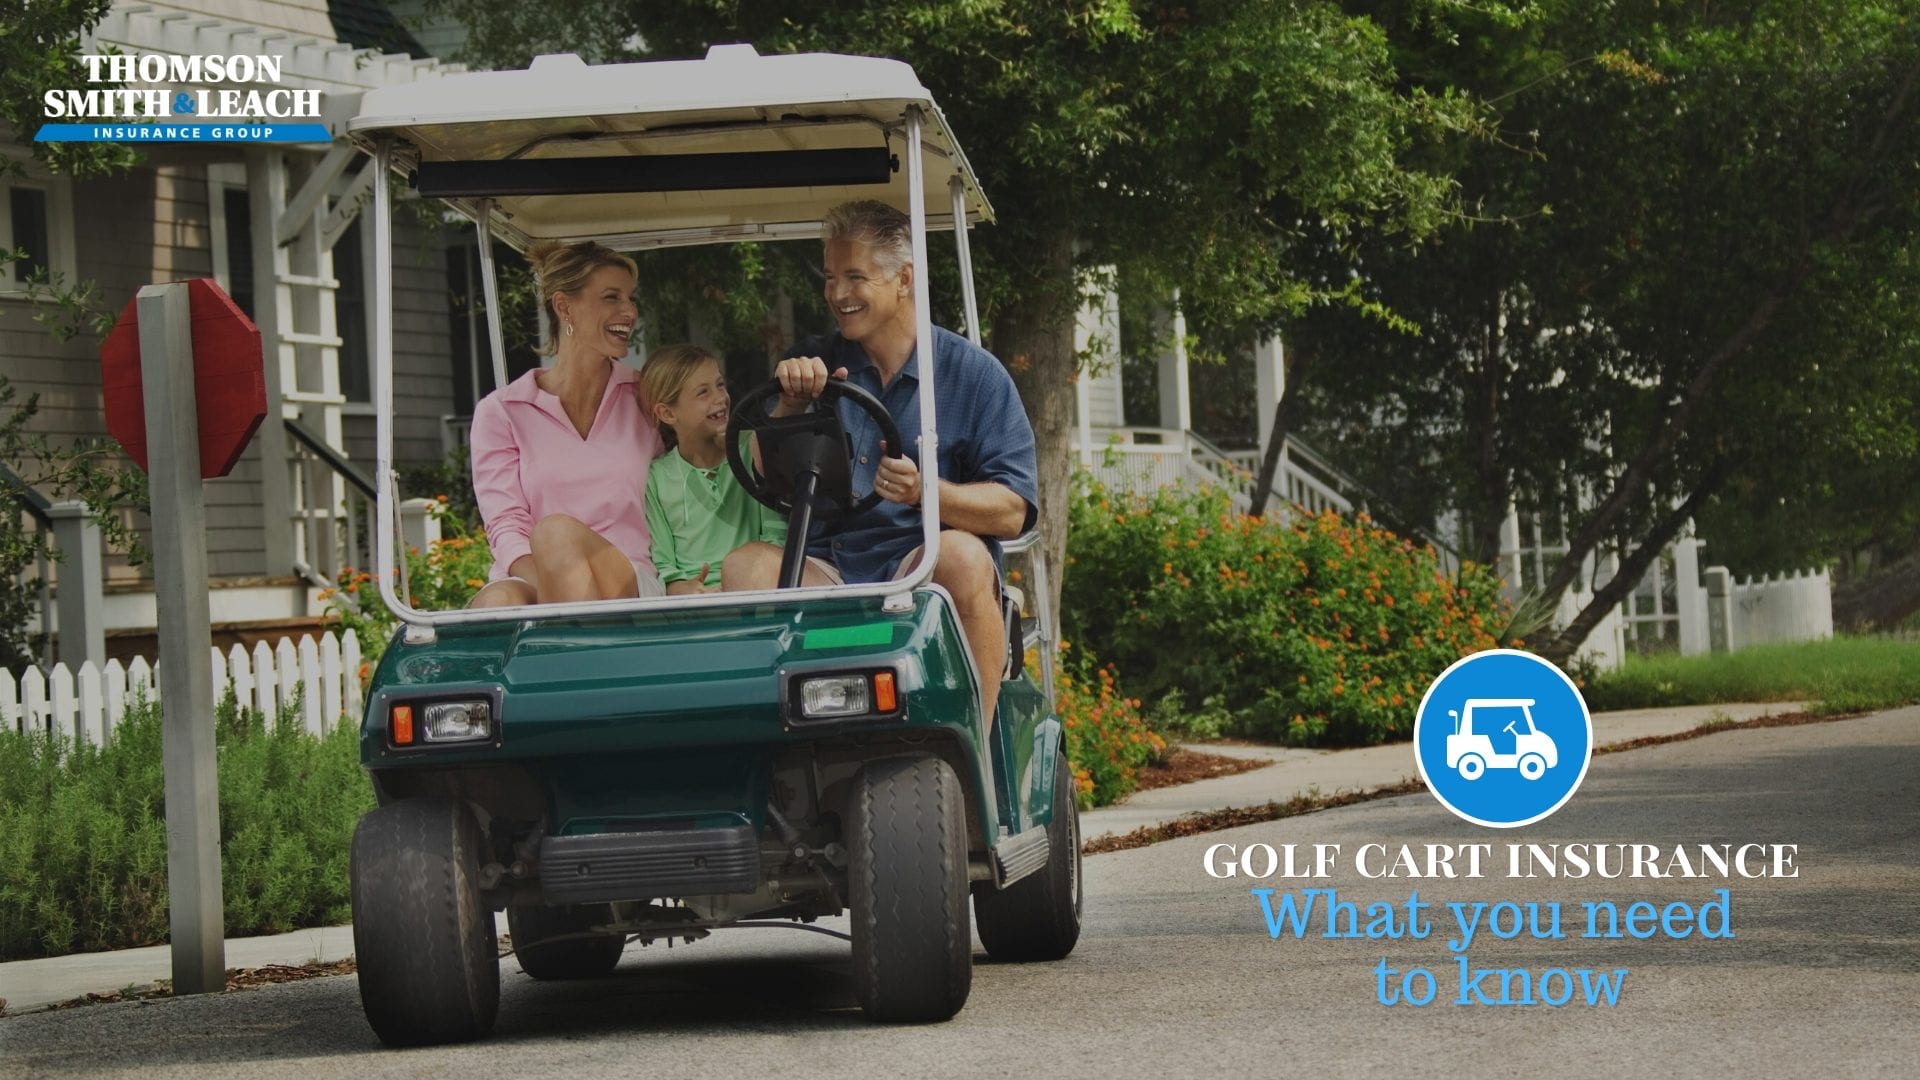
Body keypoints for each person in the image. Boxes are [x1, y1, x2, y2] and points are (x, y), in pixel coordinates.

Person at [721, 200, 1037, 730]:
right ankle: (776, 755)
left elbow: (1013, 511)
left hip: (920, 566)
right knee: (744, 565)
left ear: (904, 280)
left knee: (960, 553)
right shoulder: (814, 362)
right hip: (830, 567)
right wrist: (790, 405)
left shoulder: (973, 374)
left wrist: (926, 493)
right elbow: (765, 474)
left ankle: (975, 752)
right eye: (829, 276)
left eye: (854, 277)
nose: (837, 293)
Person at [468, 240, 665, 606]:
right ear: (564, 306)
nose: (630, 311)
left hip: (629, 579)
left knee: (556, 532)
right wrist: (558, 584)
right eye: (612, 297)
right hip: (537, 579)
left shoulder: (647, 396)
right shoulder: (502, 411)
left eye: (630, 298)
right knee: (497, 603)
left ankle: (571, 652)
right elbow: (506, 525)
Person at [639, 343, 788, 594]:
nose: (720, 398)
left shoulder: (752, 449)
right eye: (703, 393)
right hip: (695, 608)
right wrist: (685, 591)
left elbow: (776, 538)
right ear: (667, 413)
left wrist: (734, 584)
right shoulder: (657, 478)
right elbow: (665, 566)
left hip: (757, 587)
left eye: (720, 385)